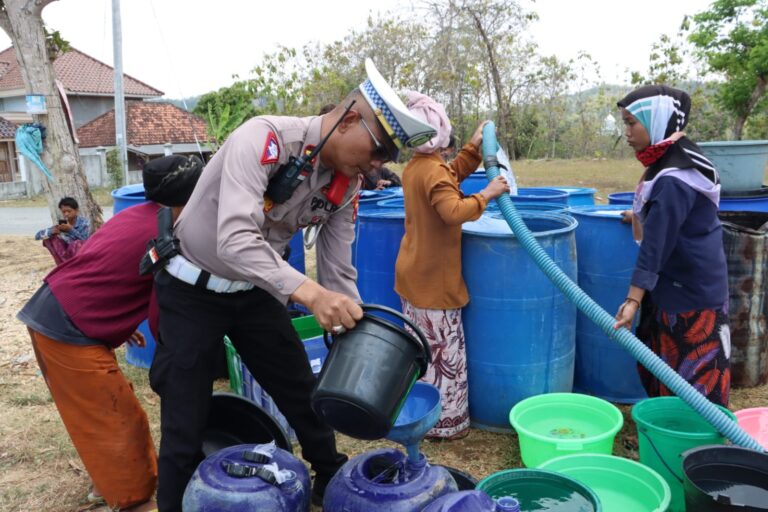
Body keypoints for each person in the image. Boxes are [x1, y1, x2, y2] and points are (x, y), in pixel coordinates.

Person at [149, 58, 438, 511]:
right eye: (378, 149)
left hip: (255, 294)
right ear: (347, 120)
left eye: (387, 158)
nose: (377, 165)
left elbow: (339, 268)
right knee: (184, 418)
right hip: (192, 293)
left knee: (303, 393)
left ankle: (328, 480)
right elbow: (235, 240)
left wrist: (355, 324)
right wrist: (311, 293)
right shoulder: (263, 139)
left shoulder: (348, 184)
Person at [17, 155, 203, 512]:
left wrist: (116, 320)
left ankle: (109, 483)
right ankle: (133, 501)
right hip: (66, 325)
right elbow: (160, 310)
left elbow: (104, 263)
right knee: (116, 417)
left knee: (106, 405)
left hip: (58, 307)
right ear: (194, 197)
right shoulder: (169, 233)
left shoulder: (138, 214)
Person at [394, 91, 509, 440]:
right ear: (440, 130)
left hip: (413, 275)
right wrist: (487, 194)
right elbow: (452, 211)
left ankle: (422, 414)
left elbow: (446, 178)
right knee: (445, 355)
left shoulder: (418, 166)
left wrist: (473, 150)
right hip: (434, 283)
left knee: (422, 351)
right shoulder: (434, 173)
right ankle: (445, 426)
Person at [613, 85, 730, 406]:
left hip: (691, 292)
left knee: (694, 377)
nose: (627, 132)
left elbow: (657, 242)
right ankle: (671, 437)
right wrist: (637, 214)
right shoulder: (672, 158)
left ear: (657, 120)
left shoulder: (676, 176)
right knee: (666, 369)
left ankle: (698, 448)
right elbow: (668, 214)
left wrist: (632, 300)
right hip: (678, 282)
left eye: (632, 122)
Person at [34, 196, 90, 265]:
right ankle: (62, 265)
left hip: (79, 254)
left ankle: (74, 265)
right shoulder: (62, 224)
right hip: (65, 253)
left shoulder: (84, 223)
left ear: (76, 210)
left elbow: (86, 241)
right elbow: (37, 236)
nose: (66, 214)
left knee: (77, 243)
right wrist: (52, 231)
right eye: (64, 212)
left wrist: (70, 230)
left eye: (69, 211)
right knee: (48, 239)